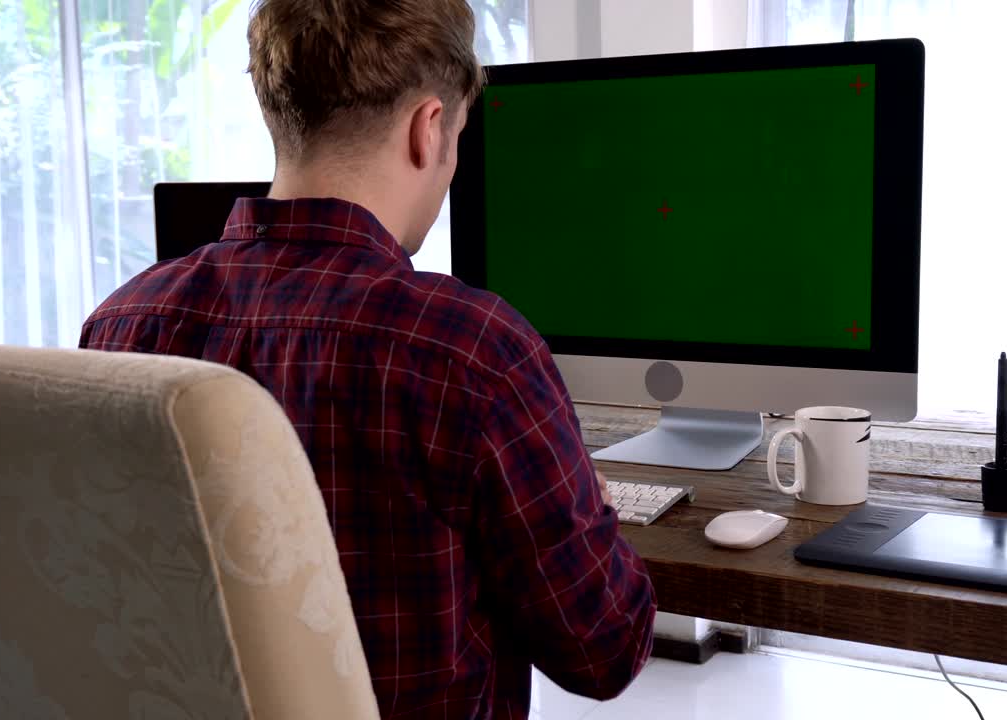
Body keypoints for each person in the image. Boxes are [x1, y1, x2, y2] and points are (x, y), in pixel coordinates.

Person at [77, 0, 657, 717]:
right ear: (428, 128)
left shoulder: (121, 325)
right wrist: (590, 500)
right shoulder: (473, 351)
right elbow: (605, 650)